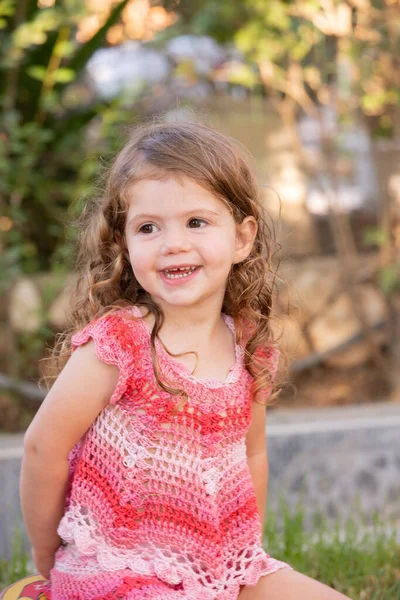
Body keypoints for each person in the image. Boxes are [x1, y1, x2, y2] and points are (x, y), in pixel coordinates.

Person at [20, 121, 351, 600]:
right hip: (119, 569)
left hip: (216, 567)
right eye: (148, 227)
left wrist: (243, 557)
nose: (172, 243)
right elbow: (41, 447)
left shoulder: (248, 345)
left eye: (196, 222)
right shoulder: (121, 343)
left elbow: (252, 450)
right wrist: (48, 556)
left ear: (242, 238)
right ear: (124, 244)